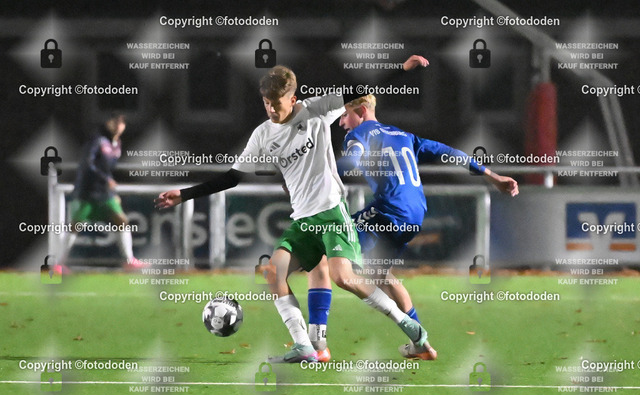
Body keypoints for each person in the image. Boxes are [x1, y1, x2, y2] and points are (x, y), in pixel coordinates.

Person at [155, 57, 437, 362]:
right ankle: (305, 346)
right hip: (303, 220)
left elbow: (361, 89)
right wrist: (184, 195)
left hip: (331, 213)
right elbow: (232, 178)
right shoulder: (263, 134)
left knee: (344, 278)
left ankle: (412, 329)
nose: (271, 110)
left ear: (293, 98)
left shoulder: (317, 109)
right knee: (273, 273)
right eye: (266, 103)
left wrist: (402, 69)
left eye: (277, 103)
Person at [306, 94, 519, 362]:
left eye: (344, 115)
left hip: (388, 211)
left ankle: (317, 345)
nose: (341, 123)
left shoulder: (359, 134)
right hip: (415, 214)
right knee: (379, 275)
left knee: (320, 251)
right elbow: (449, 153)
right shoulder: (404, 135)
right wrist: (492, 176)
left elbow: (349, 163)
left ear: (360, 111)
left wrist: (312, 178)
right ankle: (421, 345)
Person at [59, 112, 146, 269]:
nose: (118, 125)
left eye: (121, 123)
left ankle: (129, 261)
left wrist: (112, 191)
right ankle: (58, 264)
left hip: (105, 193)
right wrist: (105, 179)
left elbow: (107, 169)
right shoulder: (97, 140)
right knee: (75, 226)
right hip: (88, 191)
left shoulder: (117, 144)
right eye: (114, 121)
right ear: (107, 123)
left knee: (122, 221)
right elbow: (87, 164)